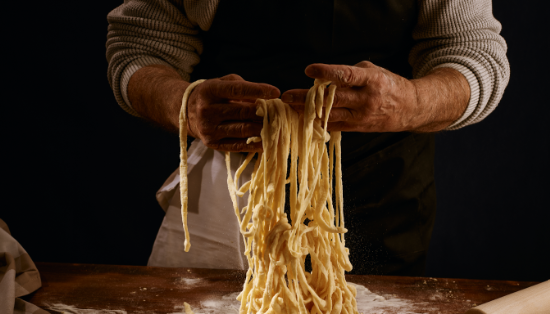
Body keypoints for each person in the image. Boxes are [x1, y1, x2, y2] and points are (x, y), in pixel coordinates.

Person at [106, 0, 509, 275]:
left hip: (382, 193)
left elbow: (475, 55)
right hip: (231, 198)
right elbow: (139, 48)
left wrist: (414, 101)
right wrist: (185, 105)